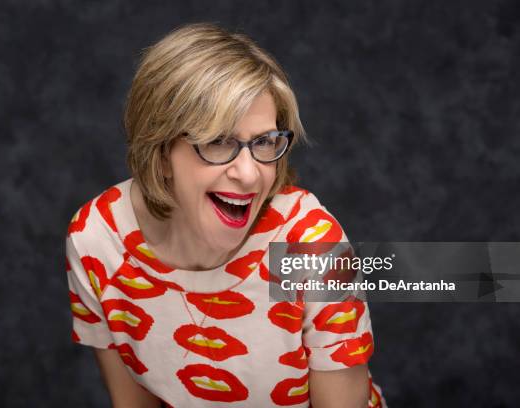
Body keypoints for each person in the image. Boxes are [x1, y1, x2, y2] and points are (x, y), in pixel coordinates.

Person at [65, 22, 385, 407]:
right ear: (160, 152)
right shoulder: (96, 240)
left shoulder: (309, 244)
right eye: (218, 142)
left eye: (265, 142)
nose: (250, 174)